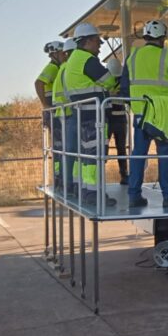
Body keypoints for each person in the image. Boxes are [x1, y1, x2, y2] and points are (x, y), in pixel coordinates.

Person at [120, 20, 168, 209]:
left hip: (140, 114)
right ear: (163, 37)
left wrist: (135, 106)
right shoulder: (167, 55)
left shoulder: (132, 56)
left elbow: (124, 88)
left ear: (146, 36)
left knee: (138, 154)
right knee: (164, 155)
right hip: (162, 114)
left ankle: (134, 196)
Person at [60, 23, 117, 208]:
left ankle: (84, 190)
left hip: (82, 115)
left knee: (85, 157)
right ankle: (94, 194)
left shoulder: (73, 60)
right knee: (95, 157)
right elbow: (109, 81)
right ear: (88, 41)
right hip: (94, 117)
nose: (99, 46)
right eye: (97, 42)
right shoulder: (88, 60)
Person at [50, 38, 75, 192]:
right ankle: (68, 184)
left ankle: (63, 183)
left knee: (65, 151)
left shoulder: (62, 68)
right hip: (69, 112)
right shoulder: (68, 68)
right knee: (71, 150)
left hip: (62, 113)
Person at [103, 54, 129, 185]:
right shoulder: (118, 81)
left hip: (114, 119)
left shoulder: (119, 82)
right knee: (111, 148)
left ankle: (123, 174)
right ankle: (121, 175)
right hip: (113, 119)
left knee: (118, 148)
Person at [34, 40, 65, 106]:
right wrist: (45, 105)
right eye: (62, 53)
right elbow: (38, 83)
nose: (65, 56)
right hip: (50, 102)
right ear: (55, 54)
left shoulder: (58, 66)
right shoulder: (52, 67)